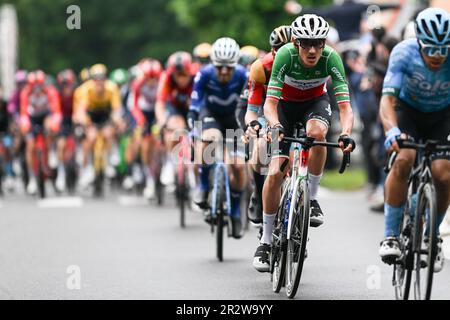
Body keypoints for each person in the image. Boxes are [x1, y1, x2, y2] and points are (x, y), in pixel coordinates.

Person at [252, 14, 356, 272]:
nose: (312, 50)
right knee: (275, 171)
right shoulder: (285, 56)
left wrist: (345, 133)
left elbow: (345, 107)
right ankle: (265, 241)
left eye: (318, 43)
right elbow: (270, 104)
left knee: (317, 133)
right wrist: (274, 127)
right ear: (296, 42)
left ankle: (312, 198)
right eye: (306, 43)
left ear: (324, 43)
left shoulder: (331, 58)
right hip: (284, 109)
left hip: (314, 104)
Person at [378, 8, 450, 273]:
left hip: (443, 115)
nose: (437, 56)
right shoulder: (403, 53)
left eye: (444, 49)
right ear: (419, 41)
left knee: (444, 175)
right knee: (404, 159)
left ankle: (433, 237)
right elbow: (387, 100)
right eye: (431, 48)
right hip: (407, 112)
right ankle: (390, 235)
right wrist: (391, 131)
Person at [187, 37, 248, 239]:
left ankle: (236, 212)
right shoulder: (203, 74)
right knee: (209, 138)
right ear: (213, 64)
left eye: (228, 68)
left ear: (235, 65)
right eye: (219, 67)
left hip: (234, 118)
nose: (223, 72)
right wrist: (192, 119)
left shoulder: (242, 75)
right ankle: (203, 186)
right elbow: (195, 104)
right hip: (210, 114)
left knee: (238, 166)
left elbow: (252, 102)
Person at [242, 25, 292, 226]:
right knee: (261, 148)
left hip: (295, 112)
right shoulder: (261, 67)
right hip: (268, 111)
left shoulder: (306, 64)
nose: (283, 54)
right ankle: (257, 190)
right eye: (278, 49)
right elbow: (252, 109)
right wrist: (254, 125)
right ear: (271, 50)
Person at [73, 63, 122, 187]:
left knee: (109, 132)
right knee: (91, 137)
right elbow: (81, 111)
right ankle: (88, 166)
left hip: (105, 114)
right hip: (91, 115)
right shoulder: (85, 90)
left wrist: (117, 121)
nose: (99, 82)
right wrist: (85, 123)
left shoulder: (112, 88)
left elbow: (116, 110)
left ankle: (110, 158)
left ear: (105, 79)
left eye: (102, 79)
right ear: (92, 80)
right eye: (96, 79)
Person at [155, 51, 195, 187]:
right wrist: (162, 121)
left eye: (184, 74)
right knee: (172, 128)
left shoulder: (197, 76)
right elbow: (159, 103)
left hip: (193, 109)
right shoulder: (166, 78)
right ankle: (169, 162)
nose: (181, 79)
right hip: (174, 108)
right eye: (177, 75)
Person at [124, 58, 163, 197]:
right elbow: (132, 105)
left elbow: (166, 101)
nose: (152, 81)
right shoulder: (137, 85)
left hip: (158, 111)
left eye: (155, 78)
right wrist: (141, 120)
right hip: (143, 113)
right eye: (149, 78)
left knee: (162, 138)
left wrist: (162, 120)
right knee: (145, 145)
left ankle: (165, 164)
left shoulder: (162, 82)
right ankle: (149, 179)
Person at [20, 70, 62, 195]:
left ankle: (51, 151)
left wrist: (54, 124)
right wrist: (25, 124)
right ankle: (32, 178)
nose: (37, 89)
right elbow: (23, 113)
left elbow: (56, 111)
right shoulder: (25, 93)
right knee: (30, 145)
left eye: (40, 85)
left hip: (45, 117)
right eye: (34, 85)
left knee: (50, 126)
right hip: (32, 119)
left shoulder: (50, 92)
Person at [55, 69, 78, 191]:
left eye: (68, 84)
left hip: (75, 119)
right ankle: (61, 173)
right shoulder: (57, 95)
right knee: (60, 144)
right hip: (62, 120)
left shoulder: (77, 93)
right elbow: (56, 110)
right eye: (64, 85)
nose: (66, 87)